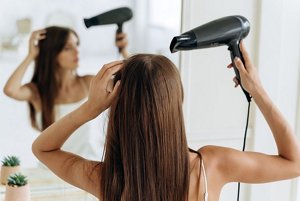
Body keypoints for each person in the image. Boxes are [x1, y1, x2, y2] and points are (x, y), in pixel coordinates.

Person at [31, 42, 300, 201]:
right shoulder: (211, 166)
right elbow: (294, 163)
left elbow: (43, 149)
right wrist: (258, 91)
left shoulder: (106, 179)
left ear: (118, 110)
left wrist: (91, 108)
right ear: (176, 102)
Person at [3, 26, 128, 160]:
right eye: (68, 48)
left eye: (77, 45)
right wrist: (31, 55)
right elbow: (10, 90)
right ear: (52, 53)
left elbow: (132, 84)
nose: (77, 51)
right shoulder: (37, 92)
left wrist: (125, 52)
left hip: (89, 165)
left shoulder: (89, 83)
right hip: (51, 169)